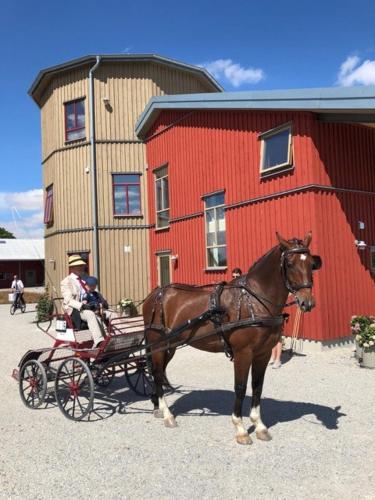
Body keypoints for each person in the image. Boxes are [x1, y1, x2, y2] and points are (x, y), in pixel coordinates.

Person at [60, 255, 105, 348]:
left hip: (90, 306)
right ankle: (99, 341)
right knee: (90, 314)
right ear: (72, 268)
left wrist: (102, 301)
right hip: (76, 309)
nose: (82, 267)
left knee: (111, 314)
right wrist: (82, 306)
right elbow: (68, 300)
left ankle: (116, 337)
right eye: (79, 266)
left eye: (82, 265)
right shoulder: (66, 281)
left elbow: (94, 291)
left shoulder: (86, 279)